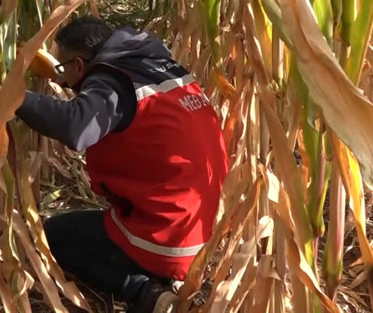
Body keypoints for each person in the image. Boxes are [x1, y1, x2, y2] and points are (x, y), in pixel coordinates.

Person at [15, 17, 229, 313]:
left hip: (167, 236)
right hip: (200, 231)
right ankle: (164, 274)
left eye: (64, 67)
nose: (60, 75)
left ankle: (148, 293)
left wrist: (13, 96)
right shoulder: (154, 65)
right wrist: (62, 74)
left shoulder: (113, 81)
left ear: (79, 65)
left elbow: (77, 126)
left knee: (54, 235)